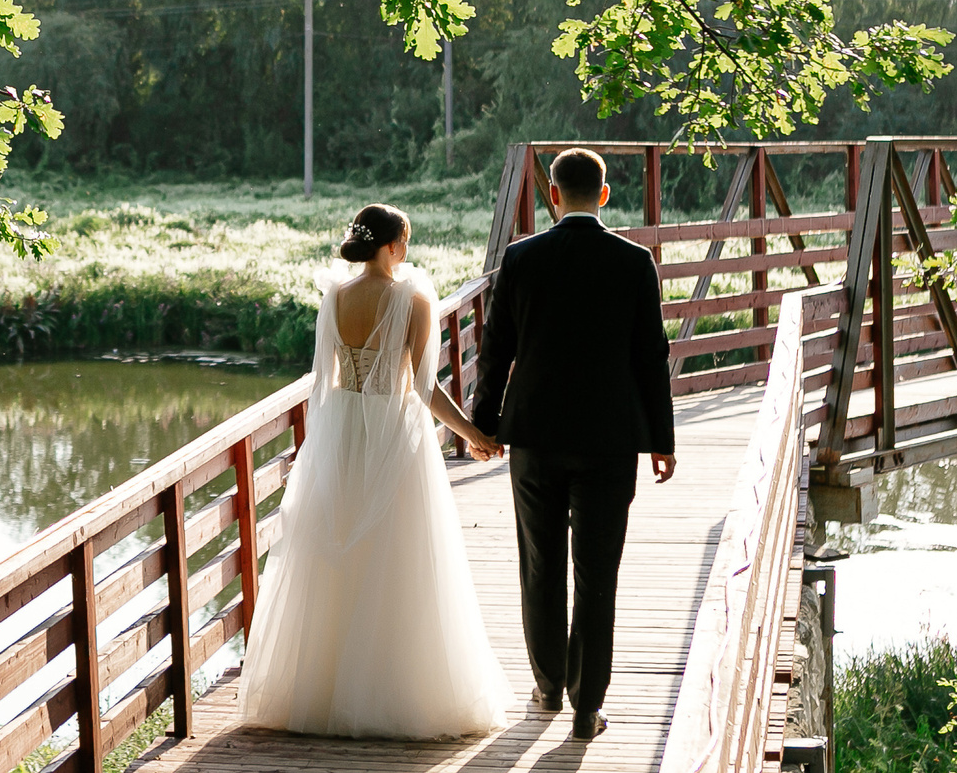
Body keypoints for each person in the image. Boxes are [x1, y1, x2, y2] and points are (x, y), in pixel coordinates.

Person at [238, 203, 509, 739]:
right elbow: (424, 388)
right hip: (390, 430)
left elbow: (324, 377)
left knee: (333, 548)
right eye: (404, 241)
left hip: (340, 428)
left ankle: (319, 692)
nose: (406, 251)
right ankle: (391, 691)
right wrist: (473, 433)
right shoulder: (412, 299)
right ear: (393, 244)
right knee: (399, 552)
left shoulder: (335, 295)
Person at [468, 148, 676, 741]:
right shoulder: (635, 262)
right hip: (611, 442)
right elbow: (650, 357)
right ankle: (588, 708)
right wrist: (661, 439)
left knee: (540, 564)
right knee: (597, 572)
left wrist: (485, 423)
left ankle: (548, 685)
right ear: (603, 195)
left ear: (552, 196)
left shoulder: (521, 257)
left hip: (534, 435)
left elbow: (495, 349)